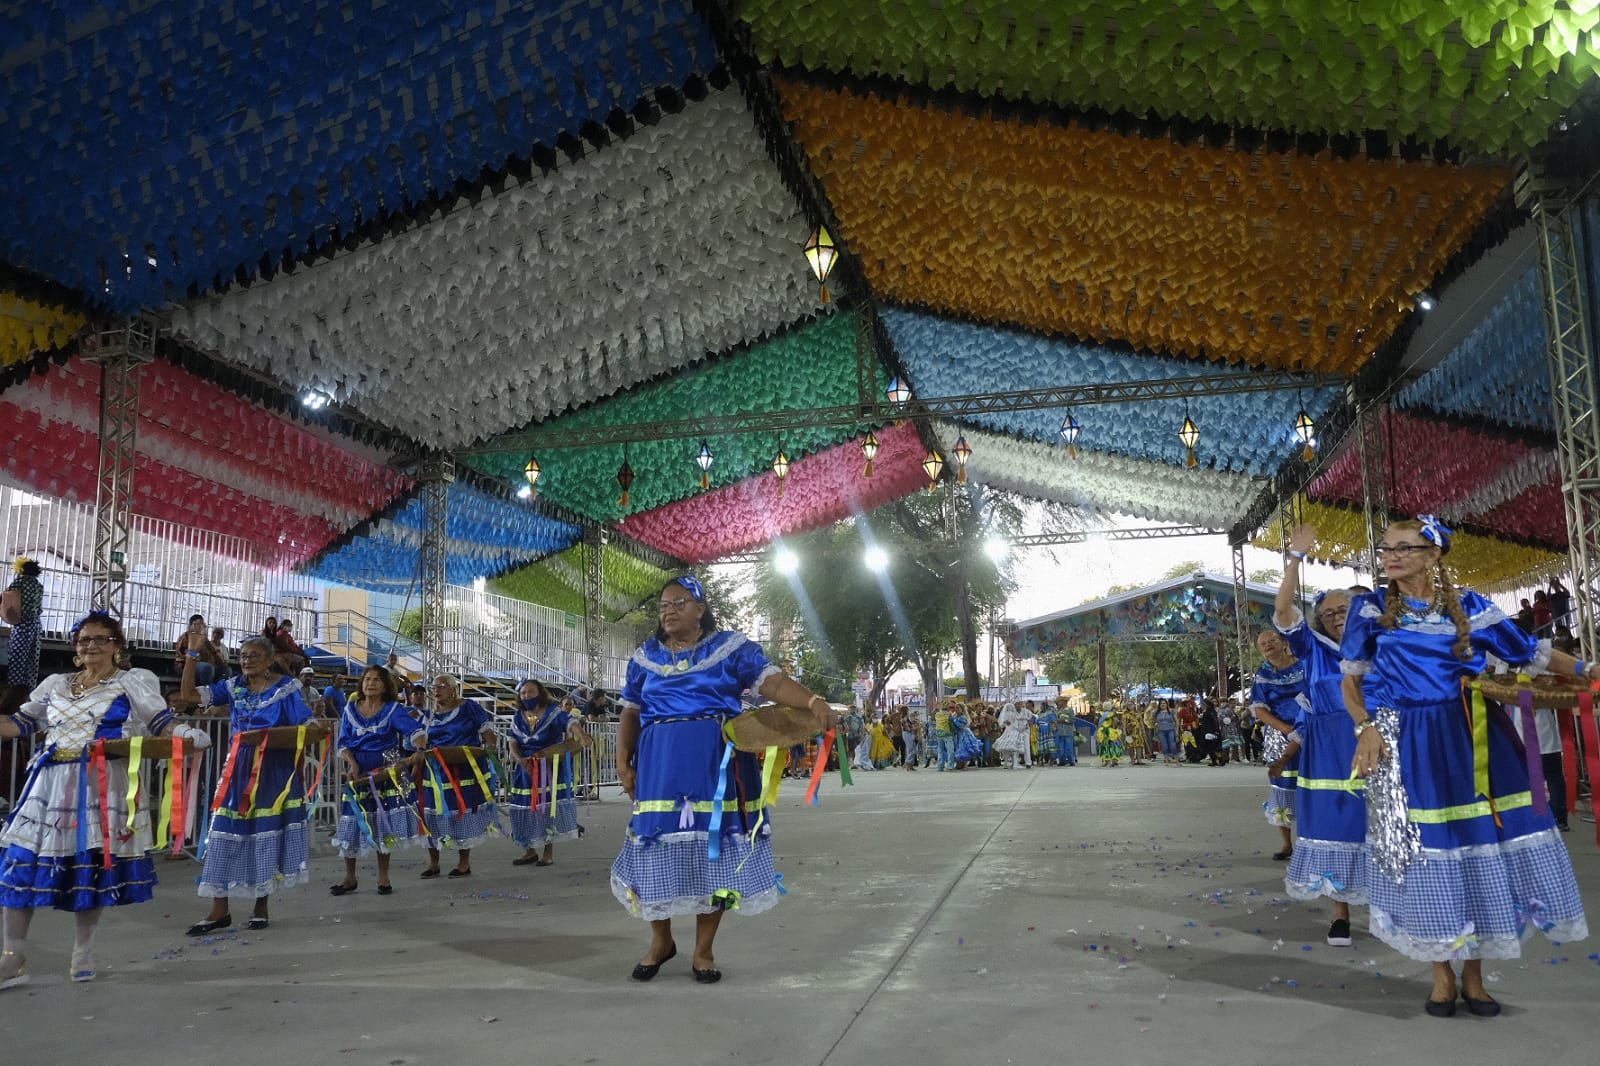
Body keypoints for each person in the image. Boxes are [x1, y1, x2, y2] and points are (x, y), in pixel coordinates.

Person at [1345, 516, 1589, 1017]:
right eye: (1385, 549)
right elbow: (1350, 680)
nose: (1389, 557)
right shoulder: (1369, 609)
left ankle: (1475, 977)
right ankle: (1441, 976)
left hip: (1474, 736)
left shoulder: (1473, 607)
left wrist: (1588, 670)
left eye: (1403, 548)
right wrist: (1365, 727)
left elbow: (1533, 654)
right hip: (1406, 742)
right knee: (1428, 850)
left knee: (1480, 849)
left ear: (1434, 555)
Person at [612, 575, 835, 984]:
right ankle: (661, 941)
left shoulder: (730, 648)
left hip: (716, 763)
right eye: (663, 605)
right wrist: (623, 759)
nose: (669, 611)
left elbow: (772, 682)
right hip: (659, 764)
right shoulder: (645, 656)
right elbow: (630, 709)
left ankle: (703, 950)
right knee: (651, 846)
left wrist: (812, 700)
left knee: (713, 851)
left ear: (701, 609)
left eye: (679, 602)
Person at [0, 612, 210, 989]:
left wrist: (187, 733)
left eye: (101, 639)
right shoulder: (55, 685)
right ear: (76, 648)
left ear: (117, 647)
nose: (91, 645)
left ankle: (82, 951)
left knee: (90, 865)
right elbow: (20, 724)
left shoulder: (132, 683)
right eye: (84, 640)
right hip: (47, 786)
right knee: (20, 864)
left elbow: (159, 721)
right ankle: (13, 956)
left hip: (100, 785)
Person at [178, 634, 313, 935]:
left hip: (274, 772)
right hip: (237, 770)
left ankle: (260, 904)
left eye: (254, 655)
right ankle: (219, 909)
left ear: (268, 660)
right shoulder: (234, 686)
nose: (246, 660)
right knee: (223, 834)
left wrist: (266, 740)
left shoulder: (286, 689)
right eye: (243, 655)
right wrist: (192, 654)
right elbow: (187, 695)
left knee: (264, 835)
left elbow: (305, 729)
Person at [1275, 525, 1366, 947]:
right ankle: (1340, 913)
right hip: (1330, 748)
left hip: (1377, 741)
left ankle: (1391, 904)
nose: (1335, 617)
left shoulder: (1381, 646)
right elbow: (1284, 609)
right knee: (1335, 825)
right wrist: (1295, 556)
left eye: (1343, 609)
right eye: (1327, 613)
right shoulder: (1314, 649)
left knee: (1382, 824)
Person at [329, 664, 421, 897]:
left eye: (376, 680)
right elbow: (343, 743)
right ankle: (350, 877)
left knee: (383, 823)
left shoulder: (392, 709)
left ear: (385, 686)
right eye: (367, 679)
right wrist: (352, 763)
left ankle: (383, 875)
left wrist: (420, 749)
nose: (370, 683)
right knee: (352, 821)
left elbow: (415, 731)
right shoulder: (351, 708)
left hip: (386, 770)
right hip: (358, 771)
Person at [411, 675, 498, 878]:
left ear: (454, 689)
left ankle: (464, 863)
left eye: (441, 686)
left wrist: (490, 748)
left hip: (464, 769)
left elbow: (487, 733)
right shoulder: (427, 715)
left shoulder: (469, 708)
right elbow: (419, 742)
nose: (436, 690)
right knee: (431, 814)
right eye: (433, 687)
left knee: (461, 813)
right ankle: (434, 863)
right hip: (435, 773)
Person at [508, 678, 586, 867]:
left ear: (540, 693)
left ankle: (548, 852)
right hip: (525, 769)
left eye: (531, 692)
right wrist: (519, 759)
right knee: (525, 808)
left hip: (549, 768)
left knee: (547, 809)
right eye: (523, 692)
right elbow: (512, 741)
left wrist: (581, 735)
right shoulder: (518, 716)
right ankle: (529, 851)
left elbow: (570, 722)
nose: (527, 695)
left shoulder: (553, 712)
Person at [1250, 631, 1304, 859]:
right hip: (1279, 737)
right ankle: (1286, 844)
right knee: (1282, 789)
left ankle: (1310, 840)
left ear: (1284, 643)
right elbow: (1259, 710)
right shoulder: (1262, 675)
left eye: (1272, 641)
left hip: (1312, 731)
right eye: (1263, 643)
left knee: (1314, 786)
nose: (1268, 646)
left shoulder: (1305, 665)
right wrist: (1287, 730)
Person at [2, 557, 44, 714]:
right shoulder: (38, 586)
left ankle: (13, 697)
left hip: (22, 625)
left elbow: (7, 599)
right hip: (36, 625)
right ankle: (28, 696)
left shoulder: (19, 582)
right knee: (32, 662)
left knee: (17, 660)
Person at [173, 614, 225, 686]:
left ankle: (216, 691)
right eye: (198, 624)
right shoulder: (185, 637)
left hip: (204, 663)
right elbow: (188, 654)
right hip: (186, 665)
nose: (201, 626)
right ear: (191, 625)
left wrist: (220, 660)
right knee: (208, 668)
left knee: (226, 670)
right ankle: (204, 693)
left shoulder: (203, 639)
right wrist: (201, 657)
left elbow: (213, 651)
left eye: (202, 624)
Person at [994, 701, 1032, 769]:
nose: (1018, 706)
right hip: (1014, 732)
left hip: (1024, 731)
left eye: (1020, 704)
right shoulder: (1012, 713)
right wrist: (1006, 723)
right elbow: (1004, 723)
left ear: (1022, 704)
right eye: (1016, 704)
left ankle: (1028, 763)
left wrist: (1028, 724)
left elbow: (1032, 719)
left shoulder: (1027, 711)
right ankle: (1014, 763)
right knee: (1014, 748)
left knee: (1026, 746)